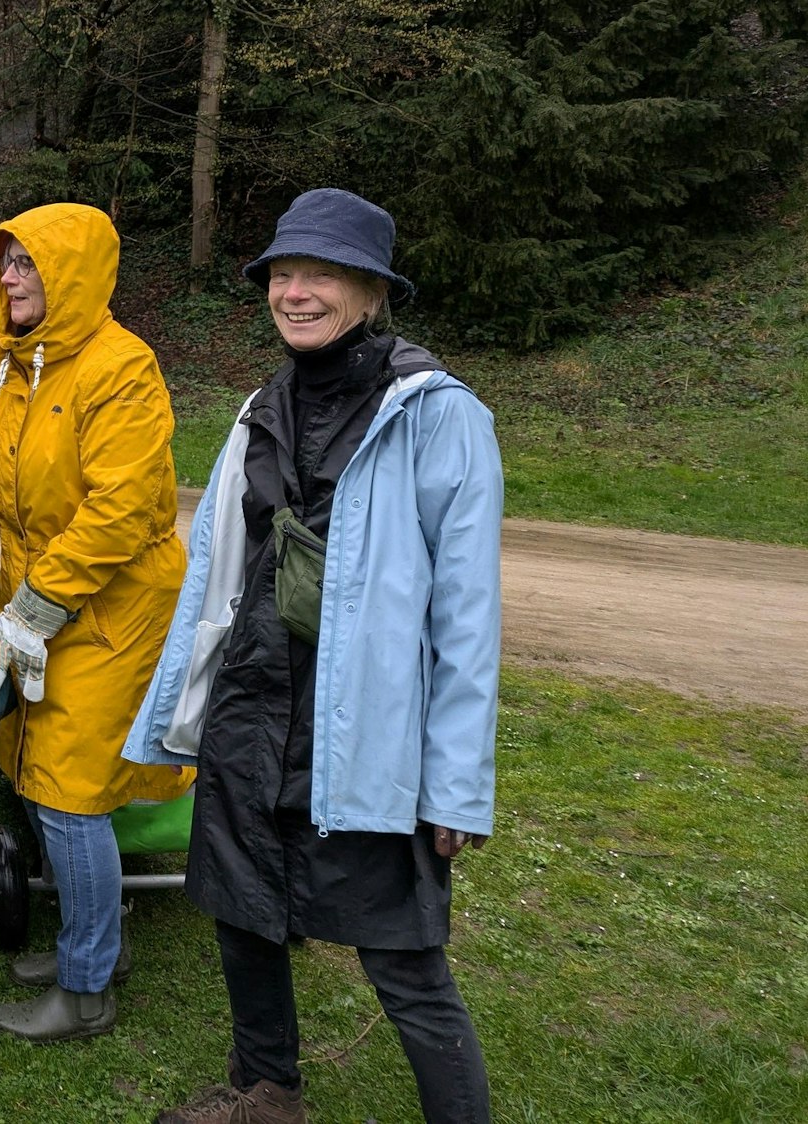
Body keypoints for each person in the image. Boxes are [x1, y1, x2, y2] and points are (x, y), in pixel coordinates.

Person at [124, 188, 501, 1123]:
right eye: (282, 274)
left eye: (319, 274)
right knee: (243, 916)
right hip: (251, 712)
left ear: (371, 291)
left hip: (360, 731)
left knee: (403, 957)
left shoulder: (436, 415)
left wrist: (454, 785)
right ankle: (267, 1093)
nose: (294, 292)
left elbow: (466, 616)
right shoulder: (261, 407)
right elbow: (219, 572)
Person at [0, 202, 193, 1041]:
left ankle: (86, 989)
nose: (9, 277)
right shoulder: (7, 363)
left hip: (113, 606)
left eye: (28, 263)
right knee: (36, 768)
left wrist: (38, 605)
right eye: (5, 261)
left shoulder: (123, 368)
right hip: (39, 599)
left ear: (73, 271)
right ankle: (97, 945)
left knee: (70, 793)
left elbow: (122, 511)